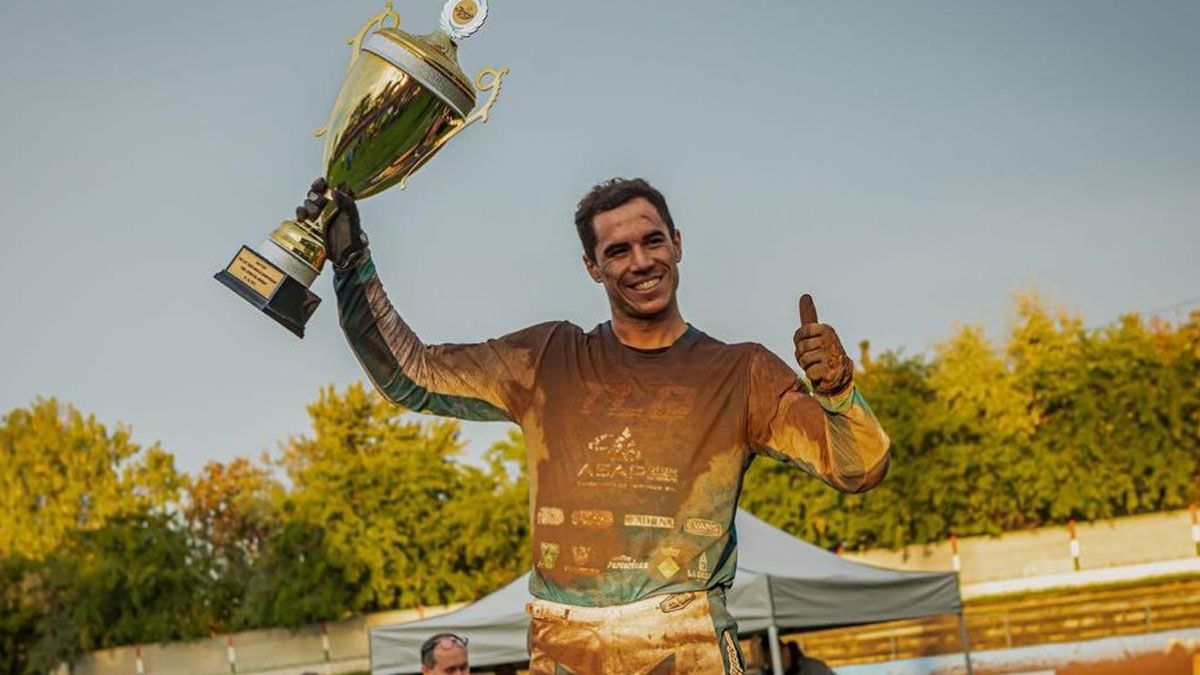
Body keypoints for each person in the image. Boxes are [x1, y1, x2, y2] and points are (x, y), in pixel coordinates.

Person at [299, 177, 891, 674]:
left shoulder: (741, 372)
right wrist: (352, 264)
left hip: (683, 643)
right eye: (617, 250)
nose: (641, 262)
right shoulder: (548, 358)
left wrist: (838, 390)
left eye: (653, 241)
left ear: (678, 245)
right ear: (591, 265)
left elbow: (858, 468)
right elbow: (413, 373)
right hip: (565, 647)